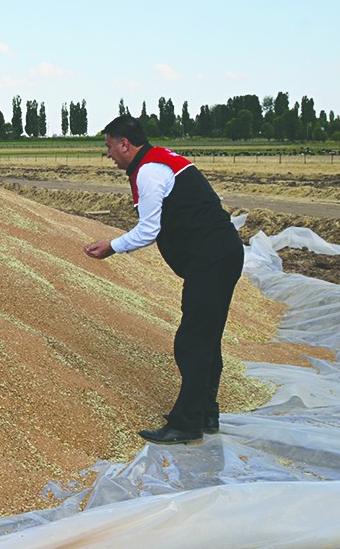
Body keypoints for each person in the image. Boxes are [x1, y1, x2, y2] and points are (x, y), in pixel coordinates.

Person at [84, 114, 244, 445]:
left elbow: (149, 229)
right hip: (218, 254)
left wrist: (112, 246)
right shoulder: (160, 160)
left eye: (109, 146)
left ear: (124, 144)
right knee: (206, 338)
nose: (108, 154)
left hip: (212, 259)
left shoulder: (149, 171)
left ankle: (187, 425)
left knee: (191, 342)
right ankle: (205, 413)